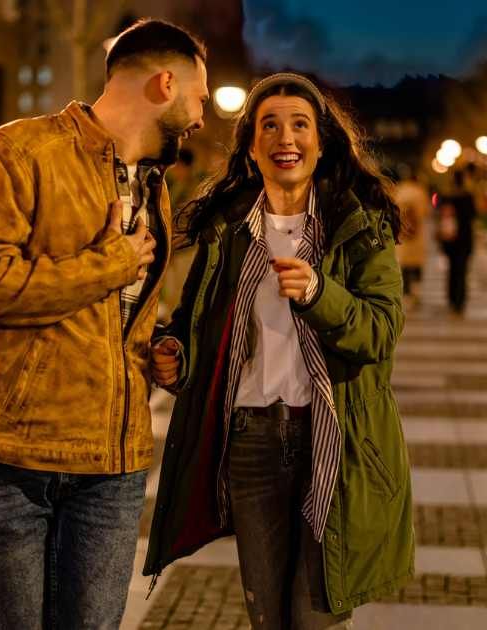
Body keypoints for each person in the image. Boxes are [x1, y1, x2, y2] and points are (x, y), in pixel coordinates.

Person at [0, 18, 209, 628]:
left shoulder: (153, 187)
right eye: (199, 97)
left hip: (113, 461)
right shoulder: (22, 152)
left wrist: (162, 349)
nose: (201, 117)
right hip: (12, 453)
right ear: (165, 83)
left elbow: (119, 314)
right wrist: (108, 264)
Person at [144, 73, 412, 630]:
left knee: (316, 618)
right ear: (250, 145)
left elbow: (380, 331)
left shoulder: (358, 225)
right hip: (251, 442)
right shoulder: (228, 230)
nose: (285, 138)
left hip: (334, 438)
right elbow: (195, 324)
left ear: (322, 142)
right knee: (266, 617)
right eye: (269, 125)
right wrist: (175, 353)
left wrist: (318, 292)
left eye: (299, 125)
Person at [437, 169, 477, 316]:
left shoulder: (447, 196)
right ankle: (459, 300)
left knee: (452, 269)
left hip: (450, 239)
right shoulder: (468, 196)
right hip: (465, 240)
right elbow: (473, 215)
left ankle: (452, 298)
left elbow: (439, 215)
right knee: (462, 270)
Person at [392, 165, 429, 308]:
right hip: (417, 235)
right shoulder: (420, 191)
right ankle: (416, 292)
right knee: (417, 265)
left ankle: (406, 294)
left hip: (402, 235)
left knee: (404, 265)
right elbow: (425, 212)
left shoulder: (398, 191)